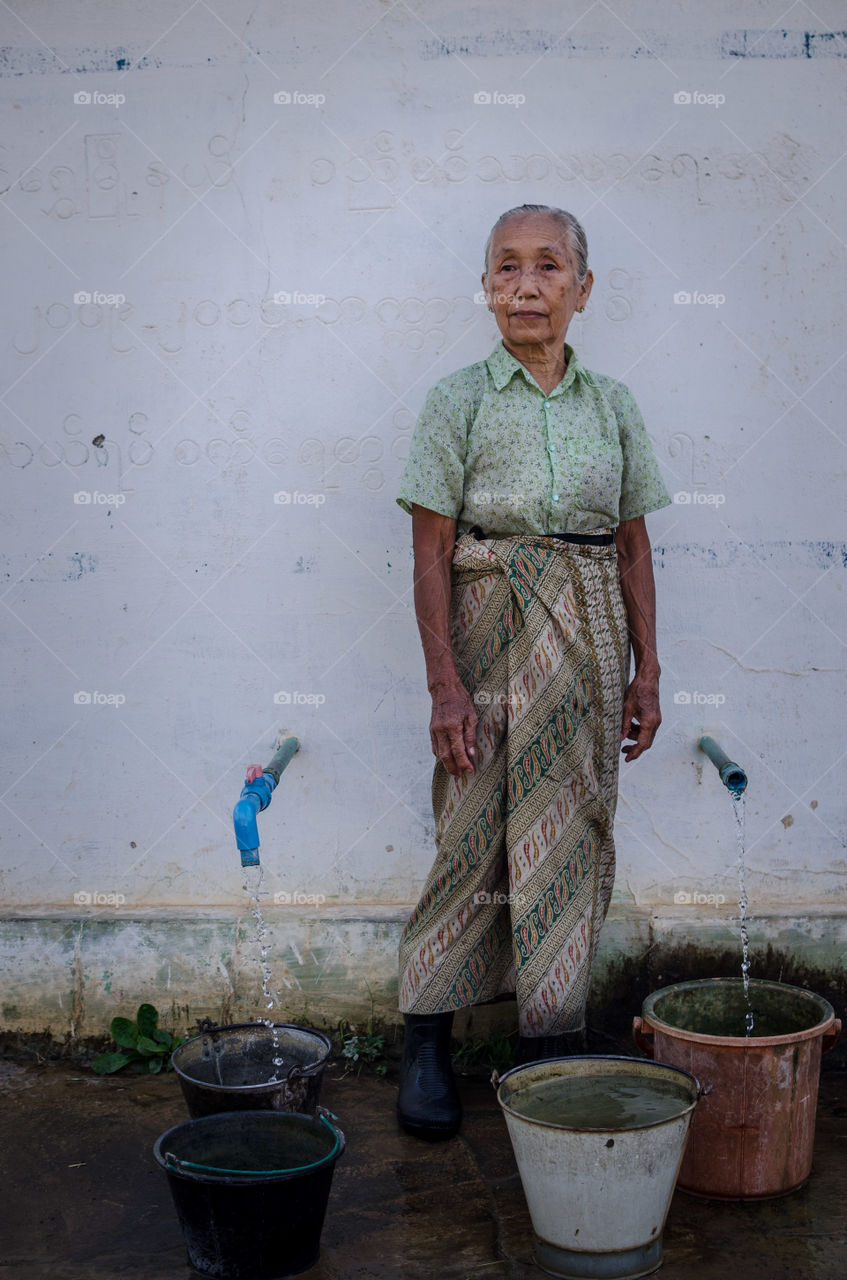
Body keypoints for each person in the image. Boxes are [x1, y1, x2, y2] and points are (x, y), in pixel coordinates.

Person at [394, 204, 672, 1140]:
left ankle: (544, 1039)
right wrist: (443, 684)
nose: (525, 284)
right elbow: (429, 551)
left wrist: (648, 672)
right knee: (470, 832)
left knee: (569, 827)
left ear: (580, 290)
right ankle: (426, 1037)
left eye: (547, 266)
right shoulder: (455, 401)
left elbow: (632, 546)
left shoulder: (614, 404)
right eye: (504, 267)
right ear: (485, 289)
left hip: (586, 641)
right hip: (484, 638)